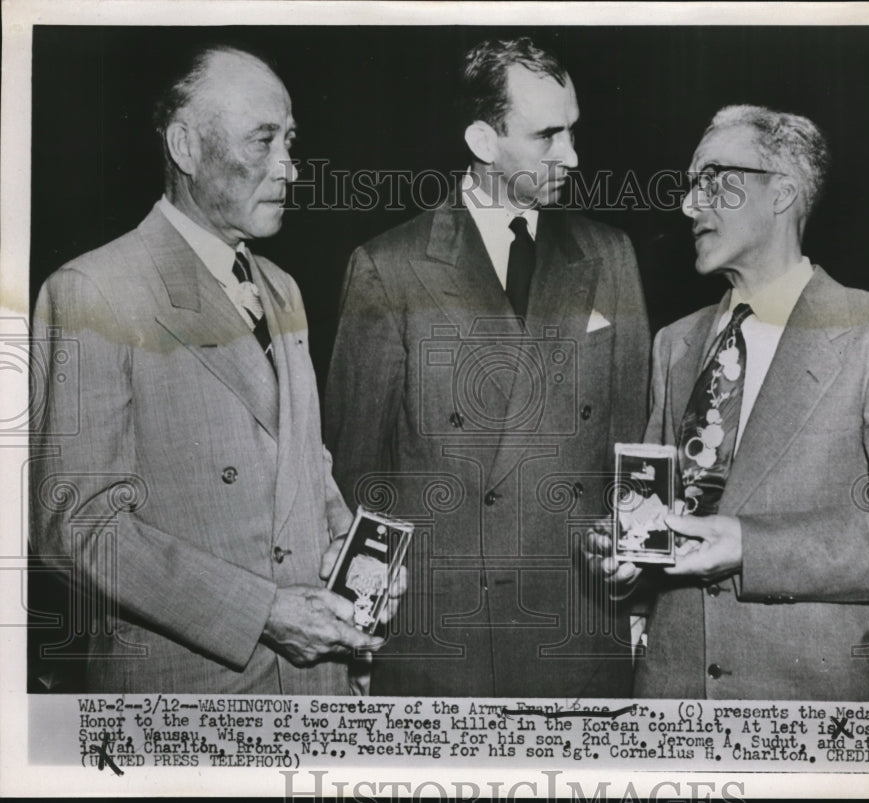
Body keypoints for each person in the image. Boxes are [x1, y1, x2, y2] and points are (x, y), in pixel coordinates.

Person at [31, 45, 399, 693]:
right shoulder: (95, 288)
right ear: (186, 147)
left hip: (314, 680)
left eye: (290, 140)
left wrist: (351, 550)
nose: (289, 167)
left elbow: (302, 461)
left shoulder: (281, 287)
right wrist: (261, 611)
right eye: (263, 141)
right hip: (194, 691)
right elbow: (78, 526)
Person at [587, 105, 869, 701]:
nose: (686, 203)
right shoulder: (673, 344)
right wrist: (622, 554)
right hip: (667, 707)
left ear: (781, 193)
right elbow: (654, 516)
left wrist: (751, 546)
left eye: (709, 179)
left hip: (804, 715)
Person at [325, 37, 650, 696]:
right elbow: (355, 472)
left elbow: (634, 448)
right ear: (482, 139)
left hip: (577, 632)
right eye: (547, 136)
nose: (573, 156)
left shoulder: (610, 256)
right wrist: (359, 637)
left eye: (574, 130)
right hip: (442, 644)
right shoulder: (387, 267)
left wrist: (636, 570)